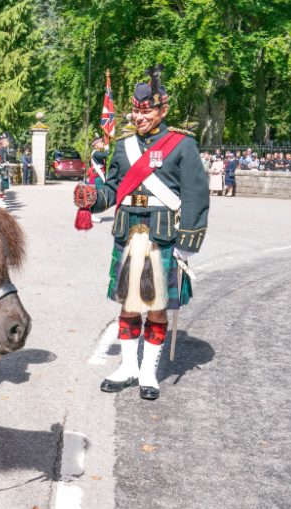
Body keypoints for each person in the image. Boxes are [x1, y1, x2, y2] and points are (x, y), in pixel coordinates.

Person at [73, 65, 209, 400]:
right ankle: (128, 367)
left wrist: (187, 244)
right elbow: (113, 189)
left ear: (162, 111)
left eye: (146, 112)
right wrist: (93, 200)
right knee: (128, 304)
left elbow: (195, 194)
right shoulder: (123, 146)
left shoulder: (182, 145)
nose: (139, 117)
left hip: (163, 236)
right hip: (128, 233)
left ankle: (148, 372)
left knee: (157, 306)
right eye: (135, 111)